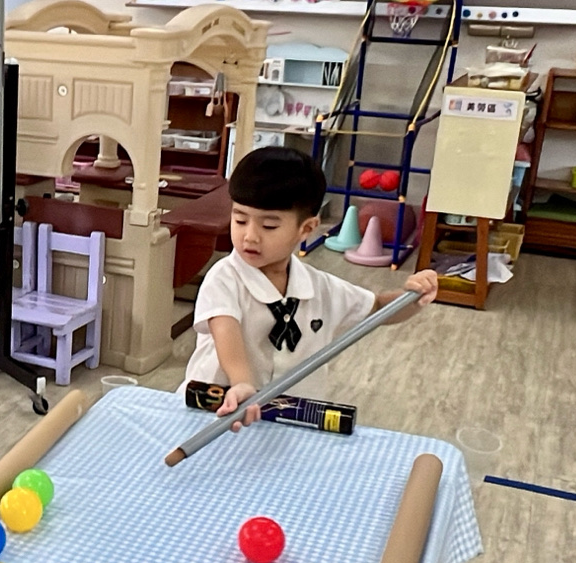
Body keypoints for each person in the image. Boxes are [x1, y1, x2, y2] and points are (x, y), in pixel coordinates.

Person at [179, 147, 438, 430]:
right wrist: (241, 383)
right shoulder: (224, 278)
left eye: (269, 226)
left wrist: (413, 297)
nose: (249, 236)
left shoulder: (320, 288)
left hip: (288, 421)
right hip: (217, 413)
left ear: (306, 229)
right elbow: (225, 329)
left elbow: (376, 308)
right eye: (240, 220)